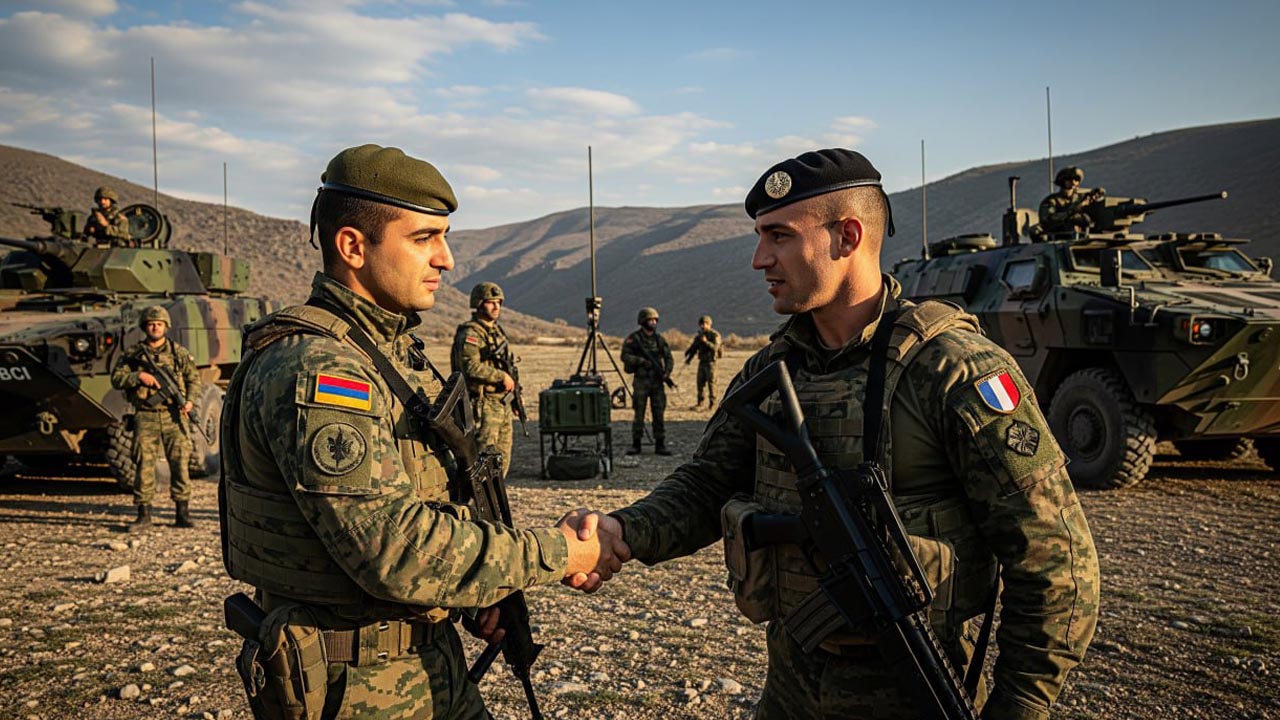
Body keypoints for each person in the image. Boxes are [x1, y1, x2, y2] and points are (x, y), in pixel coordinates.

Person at [564, 149, 1100, 720]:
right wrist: (623, 529)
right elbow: (708, 484)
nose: (759, 259)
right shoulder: (773, 370)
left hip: (912, 688)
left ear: (847, 236)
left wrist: (1020, 704)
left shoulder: (951, 368)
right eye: (759, 237)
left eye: (779, 236)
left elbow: (1055, 558)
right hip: (791, 687)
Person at [217, 144, 627, 720]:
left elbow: (423, 502)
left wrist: (468, 594)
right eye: (424, 238)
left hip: (425, 661)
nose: (447, 259)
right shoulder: (321, 370)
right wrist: (558, 551)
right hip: (355, 686)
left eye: (445, 237)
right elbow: (394, 549)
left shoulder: (388, 352)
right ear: (353, 246)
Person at [110, 305, 200, 530]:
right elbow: (117, 378)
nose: (155, 327)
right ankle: (144, 514)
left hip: (173, 415)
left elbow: (193, 379)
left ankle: (182, 513)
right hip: (146, 415)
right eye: (151, 324)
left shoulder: (178, 352)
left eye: (159, 324)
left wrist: (189, 401)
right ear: (144, 327)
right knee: (144, 465)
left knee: (180, 463)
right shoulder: (133, 354)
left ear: (166, 327)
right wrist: (138, 376)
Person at [451, 281, 518, 477]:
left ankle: (497, 494)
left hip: (501, 402)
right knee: (482, 458)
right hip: (483, 403)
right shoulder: (470, 334)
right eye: (490, 302)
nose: (496, 307)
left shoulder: (497, 332)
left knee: (502, 458)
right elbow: (470, 367)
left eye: (498, 302)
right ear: (479, 304)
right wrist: (500, 376)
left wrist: (515, 397)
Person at [621, 307, 674, 456]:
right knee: (639, 412)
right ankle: (636, 444)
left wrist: (667, 372)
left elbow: (668, 358)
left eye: (655, 320)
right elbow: (625, 356)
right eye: (650, 320)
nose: (653, 323)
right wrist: (641, 361)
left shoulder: (659, 340)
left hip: (657, 382)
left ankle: (660, 444)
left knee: (659, 412)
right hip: (641, 381)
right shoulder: (634, 339)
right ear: (643, 321)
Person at [1038, 166, 1105, 234]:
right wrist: (1073, 211)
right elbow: (1048, 220)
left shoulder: (1081, 197)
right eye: (1069, 179)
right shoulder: (1052, 201)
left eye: (1076, 179)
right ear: (1062, 181)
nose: (1073, 182)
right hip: (1059, 233)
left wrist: (1096, 196)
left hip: (1083, 233)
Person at [683, 314, 722, 409]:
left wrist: (705, 342)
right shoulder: (699, 336)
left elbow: (715, 347)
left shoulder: (715, 335)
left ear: (709, 324)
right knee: (700, 383)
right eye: (702, 324)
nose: (703, 326)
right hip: (702, 362)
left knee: (711, 383)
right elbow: (694, 348)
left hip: (711, 363)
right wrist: (688, 358)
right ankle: (700, 402)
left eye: (705, 324)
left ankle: (712, 403)